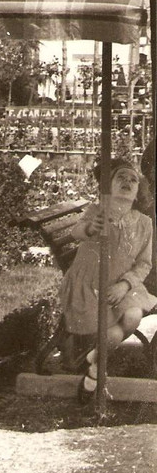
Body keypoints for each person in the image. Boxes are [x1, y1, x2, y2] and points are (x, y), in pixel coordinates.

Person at [58, 158, 157, 402]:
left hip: (121, 286)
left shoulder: (144, 223)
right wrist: (90, 228)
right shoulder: (97, 212)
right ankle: (95, 370)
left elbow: (144, 263)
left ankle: (94, 362)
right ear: (108, 187)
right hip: (90, 286)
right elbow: (75, 232)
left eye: (133, 180)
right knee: (124, 319)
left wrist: (125, 285)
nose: (127, 182)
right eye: (120, 178)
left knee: (133, 316)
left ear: (138, 194)